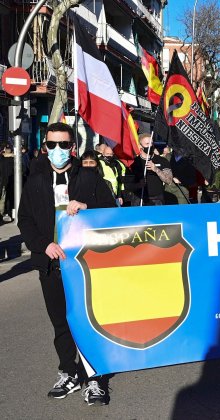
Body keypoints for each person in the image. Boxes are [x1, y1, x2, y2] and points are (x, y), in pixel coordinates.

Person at [17, 122, 116, 405]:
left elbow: (112, 214)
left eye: (63, 144)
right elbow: (25, 219)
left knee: (88, 322)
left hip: (86, 266)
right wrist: (43, 245)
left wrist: (87, 208)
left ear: (72, 146)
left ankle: (95, 378)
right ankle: (68, 372)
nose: (57, 150)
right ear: (44, 147)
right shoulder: (35, 182)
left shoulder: (89, 177)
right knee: (60, 323)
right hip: (51, 266)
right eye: (52, 145)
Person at [130, 133, 173, 205]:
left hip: (157, 200)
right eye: (147, 144)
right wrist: (138, 185)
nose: (150, 146)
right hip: (139, 199)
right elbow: (128, 185)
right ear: (140, 146)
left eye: (151, 143)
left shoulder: (162, 160)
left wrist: (156, 169)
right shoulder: (134, 163)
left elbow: (169, 180)